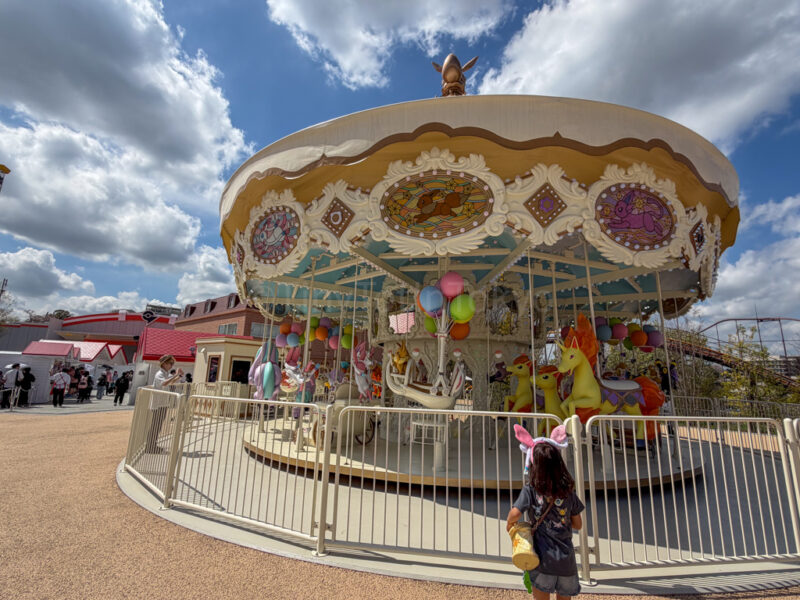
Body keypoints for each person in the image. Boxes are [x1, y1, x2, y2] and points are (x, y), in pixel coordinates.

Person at [506, 425, 584, 599]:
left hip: (542, 559)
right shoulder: (568, 492)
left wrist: (509, 524)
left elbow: (515, 513)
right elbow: (578, 523)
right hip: (566, 561)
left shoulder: (531, 490)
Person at [146, 355, 183, 453]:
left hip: (163, 403)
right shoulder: (159, 374)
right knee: (155, 426)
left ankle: (153, 445)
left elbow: (171, 382)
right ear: (164, 363)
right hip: (158, 404)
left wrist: (179, 376)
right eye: (170, 363)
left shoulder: (165, 373)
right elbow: (164, 383)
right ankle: (150, 447)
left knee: (158, 426)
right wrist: (175, 375)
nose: (172, 365)